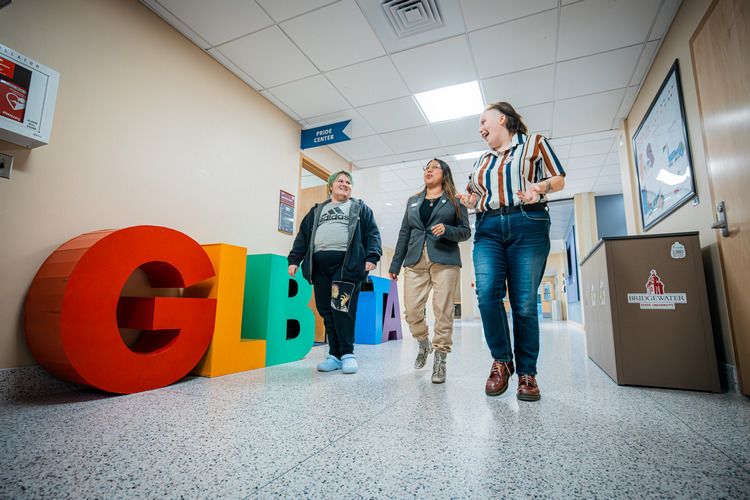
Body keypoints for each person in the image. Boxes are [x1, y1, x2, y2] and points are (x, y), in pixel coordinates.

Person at [458, 101, 565, 401]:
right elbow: (474, 196)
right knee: (487, 294)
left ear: (502, 119)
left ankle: (527, 373)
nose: (480, 128)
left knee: (524, 302)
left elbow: (559, 178)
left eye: (483, 121)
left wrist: (539, 188)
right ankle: (502, 361)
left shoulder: (534, 144)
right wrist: (467, 201)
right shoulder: (480, 161)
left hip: (527, 222)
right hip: (489, 226)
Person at [287, 171, 382, 375]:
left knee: (342, 308)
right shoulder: (316, 211)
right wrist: (295, 259)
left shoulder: (360, 209)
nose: (345, 184)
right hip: (319, 267)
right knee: (326, 311)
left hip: (347, 265)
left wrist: (372, 257)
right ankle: (334, 355)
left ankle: (348, 354)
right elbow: (303, 236)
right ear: (331, 186)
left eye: (348, 182)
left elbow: (372, 233)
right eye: (340, 181)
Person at [388, 159, 470, 384]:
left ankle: (440, 358)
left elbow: (465, 232)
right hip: (415, 260)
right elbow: (404, 234)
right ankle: (423, 344)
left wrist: (447, 230)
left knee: (443, 310)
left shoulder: (455, 200)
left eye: (434, 167)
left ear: (444, 173)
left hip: (444, 259)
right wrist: (395, 265)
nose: (429, 170)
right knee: (412, 310)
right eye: (426, 167)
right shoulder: (413, 201)